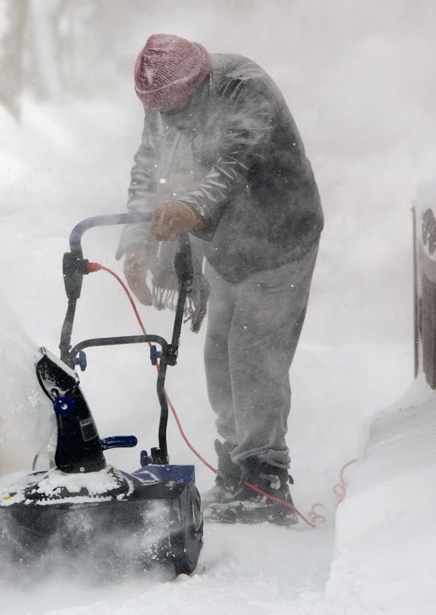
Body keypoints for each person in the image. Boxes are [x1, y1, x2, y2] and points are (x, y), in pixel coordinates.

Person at [117, 34, 323, 525]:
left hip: (279, 237)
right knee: (220, 356)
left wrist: (190, 207)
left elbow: (235, 166)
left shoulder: (245, 89)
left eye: (172, 107)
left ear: (195, 82)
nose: (164, 118)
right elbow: (147, 167)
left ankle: (266, 478)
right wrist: (138, 242)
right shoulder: (164, 97)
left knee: (254, 355)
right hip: (227, 245)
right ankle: (236, 468)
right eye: (156, 109)